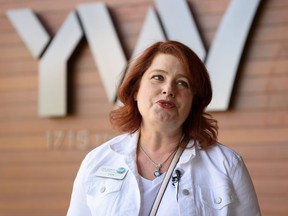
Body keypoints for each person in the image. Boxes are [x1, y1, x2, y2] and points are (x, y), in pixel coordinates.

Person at [67, 40, 261, 216]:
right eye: (158, 77)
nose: (168, 89)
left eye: (182, 83)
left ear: (194, 100)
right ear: (136, 90)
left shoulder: (226, 165)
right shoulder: (97, 162)